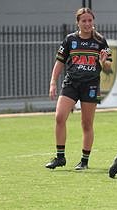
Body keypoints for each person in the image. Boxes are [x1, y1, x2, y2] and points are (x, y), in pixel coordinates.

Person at [45, 7, 112, 170]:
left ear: (93, 21)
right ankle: (60, 158)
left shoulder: (100, 41)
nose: (87, 23)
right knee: (60, 117)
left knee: (86, 124)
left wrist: (104, 62)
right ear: (78, 23)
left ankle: (84, 161)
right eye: (84, 21)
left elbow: (108, 67)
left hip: (90, 85)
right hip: (71, 84)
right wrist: (53, 82)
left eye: (90, 20)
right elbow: (60, 62)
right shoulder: (70, 40)